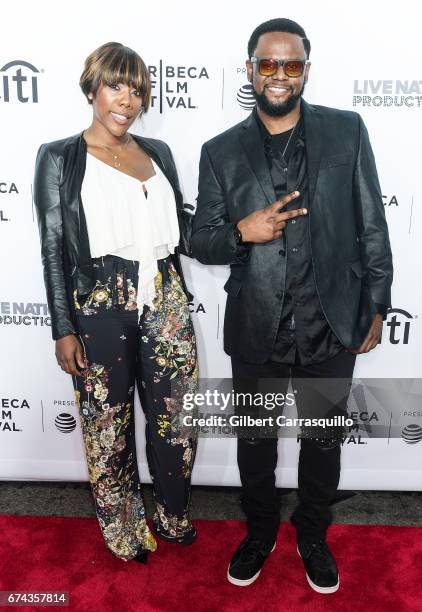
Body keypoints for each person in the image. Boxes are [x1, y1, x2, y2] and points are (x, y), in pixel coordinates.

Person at [192, 18, 392, 592]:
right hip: (258, 323)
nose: (280, 75)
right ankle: (258, 533)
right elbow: (200, 238)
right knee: (255, 445)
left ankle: (312, 534)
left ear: (306, 69)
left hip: (330, 322)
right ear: (249, 69)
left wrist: (376, 303)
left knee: (322, 439)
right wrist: (242, 231)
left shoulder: (346, 131)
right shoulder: (220, 151)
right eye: (268, 63)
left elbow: (372, 224)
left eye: (292, 64)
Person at [33, 42, 198, 563]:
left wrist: (235, 227)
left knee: (176, 420)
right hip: (101, 302)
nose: (127, 99)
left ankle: (172, 515)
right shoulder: (59, 156)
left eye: (136, 89)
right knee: (108, 426)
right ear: (91, 89)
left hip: (166, 297)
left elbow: (182, 232)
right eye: (115, 85)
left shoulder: (159, 154)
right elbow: (54, 248)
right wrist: (63, 327)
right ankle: (124, 528)